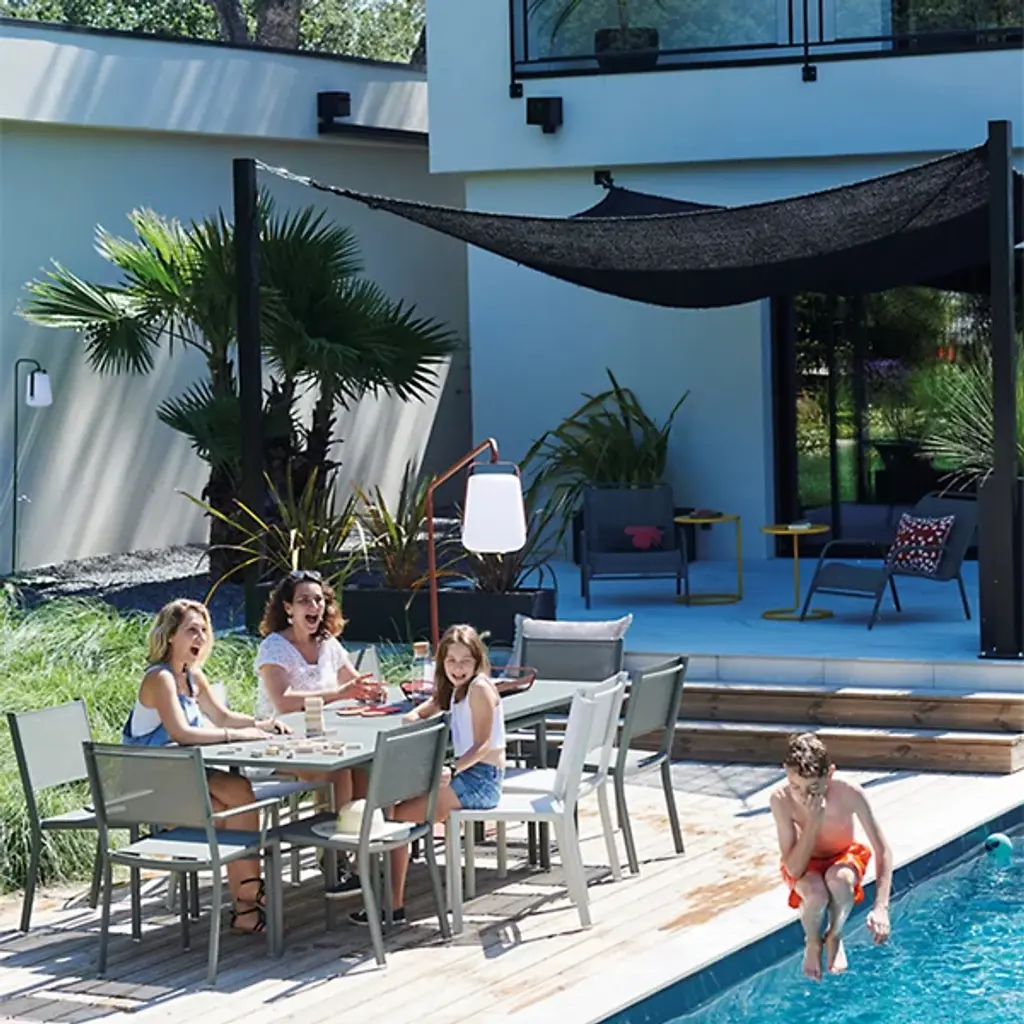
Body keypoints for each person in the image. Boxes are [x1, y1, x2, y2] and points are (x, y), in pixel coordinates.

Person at [123, 599, 287, 934]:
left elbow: (222, 716)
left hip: (184, 776)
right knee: (233, 806)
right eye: (191, 630)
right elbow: (181, 733)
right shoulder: (160, 678)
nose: (200, 637)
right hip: (153, 791)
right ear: (170, 635)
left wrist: (262, 725)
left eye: (204, 630)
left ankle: (245, 905)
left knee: (239, 792)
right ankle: (247, 896)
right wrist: (236, 735)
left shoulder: (193, 676)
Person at [350, 623, 505, 927]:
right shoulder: (453, 689)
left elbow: (484, 745)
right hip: (464, 774)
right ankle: (382, 890)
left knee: (397, 817)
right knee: (394, 805)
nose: (458, 668)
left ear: (477, 661)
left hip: (481, 779)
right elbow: (420, 713)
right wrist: (411, 720)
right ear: (441, 662)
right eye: (451, 661)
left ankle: (392, 905)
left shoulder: (479, 688)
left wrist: (452, 768)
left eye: (465, 661)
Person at [254, 570, 385, 893]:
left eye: (319, 600)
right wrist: (340, 693)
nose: (314, 607)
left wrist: (370, 691)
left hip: (327, 739)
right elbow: (283, 702)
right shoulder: (274, 647)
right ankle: (333, 859)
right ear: (288, 608)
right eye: (304, 601)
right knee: (339, 773)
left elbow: (354, 683)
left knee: (362, 768)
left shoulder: (328, 643)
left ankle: (360, 855)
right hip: (280, 743)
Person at [770, 732, 892, 979]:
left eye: (813, 788)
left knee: (839, 879)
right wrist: (813, 822)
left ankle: (835, 935)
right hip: (804, 863)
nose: (803, 796)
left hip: (843, 856)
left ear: (830, 774)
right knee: (815, 894)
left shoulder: (849, 793)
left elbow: (883, 850)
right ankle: (813, 941)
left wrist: (881, 907)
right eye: (795, 786)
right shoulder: (781, 799)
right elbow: (793, 869)